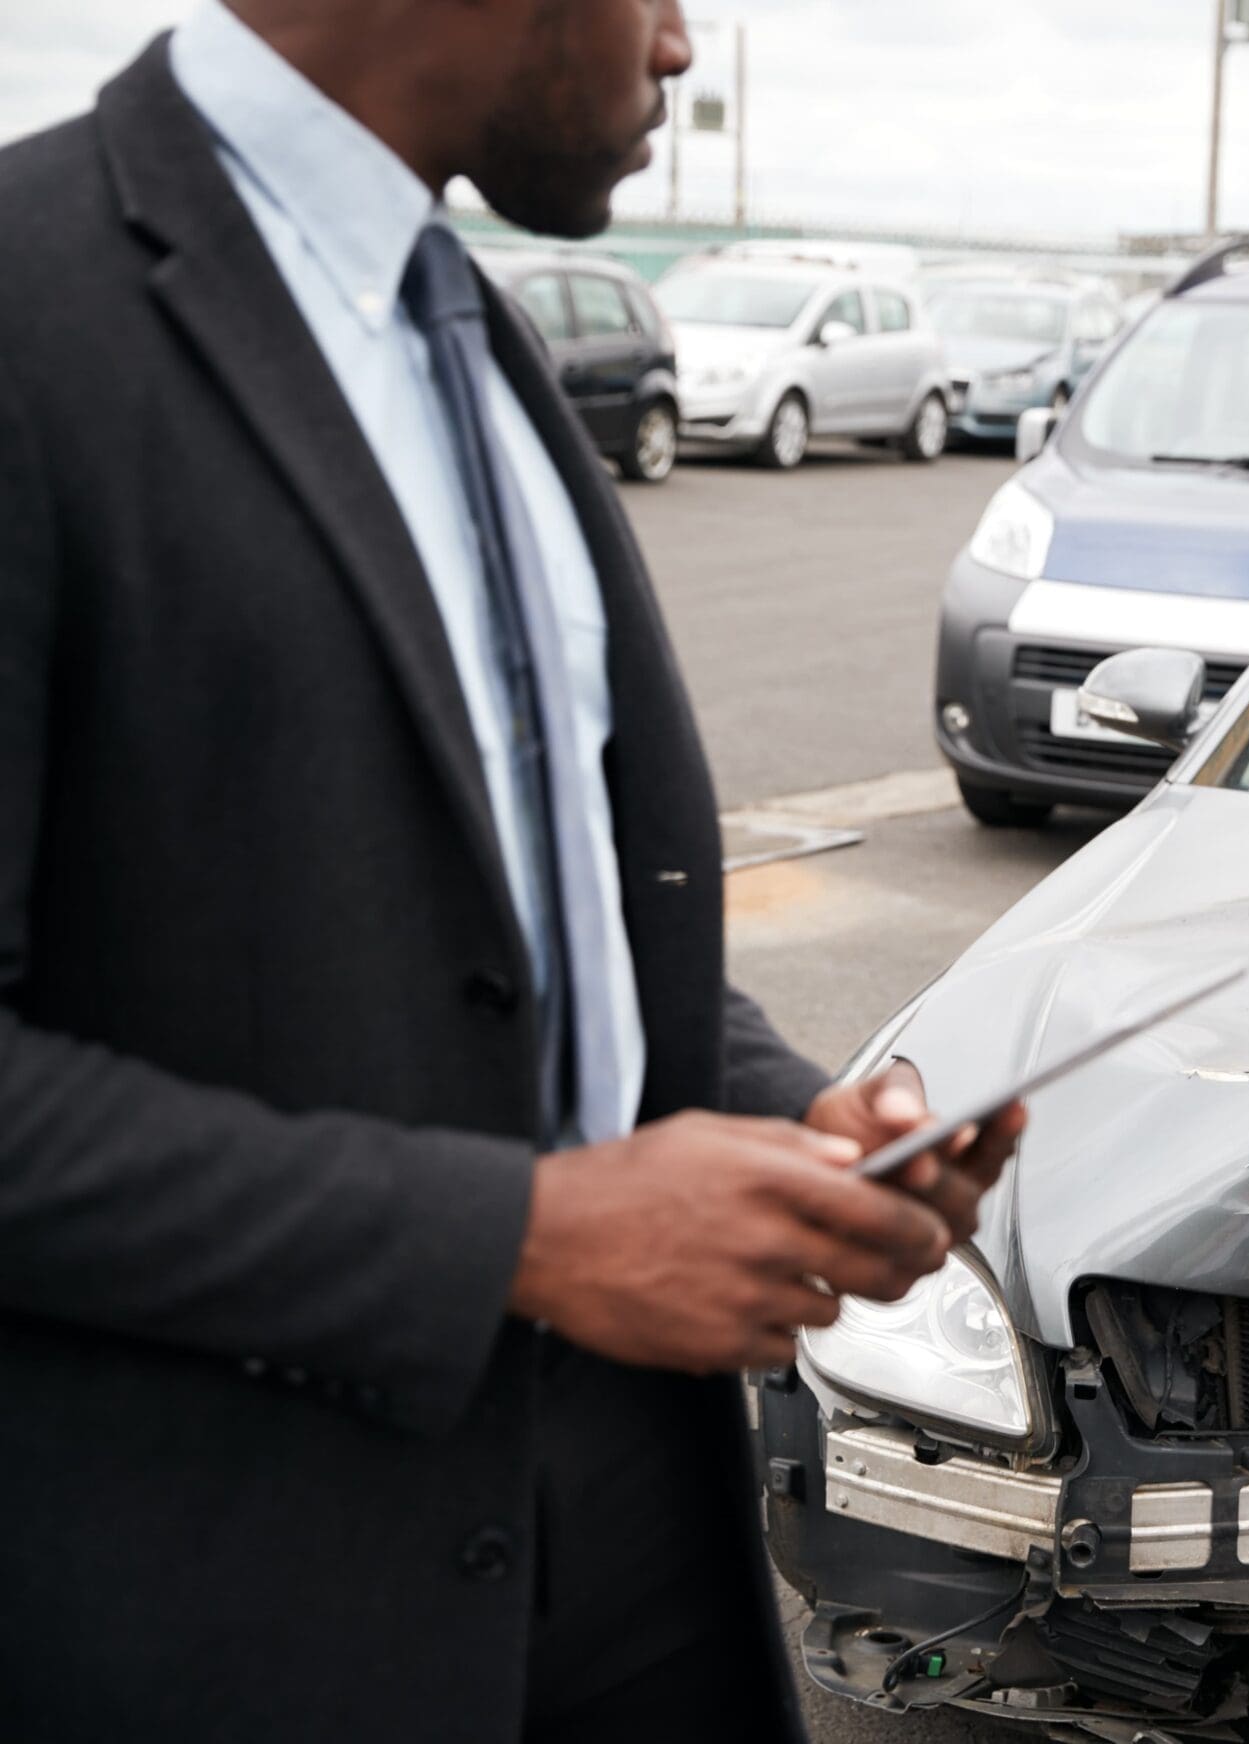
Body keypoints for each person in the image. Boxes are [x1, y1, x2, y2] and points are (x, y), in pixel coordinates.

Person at [0, 2, 1023, 1739]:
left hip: (637, 1538)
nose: (682, 46)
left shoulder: (471, 331)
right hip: (237, 1605)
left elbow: (550, 934)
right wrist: (515, 1243)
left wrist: (795, 1121)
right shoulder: (32, 311)